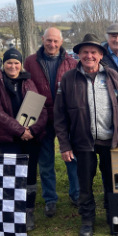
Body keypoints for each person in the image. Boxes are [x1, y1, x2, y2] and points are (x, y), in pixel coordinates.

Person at [54, 34, 118, 236]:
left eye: (93, 52)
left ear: (100, 55)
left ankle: (112, 215)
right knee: (85, 183)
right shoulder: (69, 79)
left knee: (111, 181)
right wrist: (64, 145)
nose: (89, 56)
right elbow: (60, 115)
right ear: (78, 54)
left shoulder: (112, 76)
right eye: (85, 52)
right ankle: (87, 219)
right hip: (82, 142)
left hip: (110, 140)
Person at [0, 47, 50, 230]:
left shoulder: (28, 82)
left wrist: (33, 130)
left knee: (29, 176)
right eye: (9, 63)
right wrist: (20, 130)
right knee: (12, 177)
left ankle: (28, 211)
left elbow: (41, 109)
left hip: (31, 138)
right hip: (9, 138)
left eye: (16, 63)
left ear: (21, 65)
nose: (13, 66)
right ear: (3, 64)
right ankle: (14, 211)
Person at [24, 27, 80, 217]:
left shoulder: (72, 63)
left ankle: (76, 194)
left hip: (67, 119)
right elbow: (26, 89)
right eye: (49, 41)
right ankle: (50, 199)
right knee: (45, 162)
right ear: (43, 40)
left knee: (72, 159)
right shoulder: (30, 62)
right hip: (42, 120)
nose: (52, 45)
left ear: (62, 42)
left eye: (56, 41)